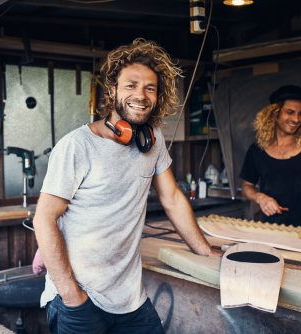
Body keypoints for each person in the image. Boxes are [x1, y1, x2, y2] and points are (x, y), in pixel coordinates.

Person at [33, 38, 219, 334]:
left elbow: (171, 197)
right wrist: (71, 295)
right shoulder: (78, 146)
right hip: (81, 298)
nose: (141, 95)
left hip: (130, 298)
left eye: (150, 88)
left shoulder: (153, 140)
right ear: (112, 90)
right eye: (131, 85)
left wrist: (205, 252)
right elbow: (44, 217)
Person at [240, 85, 301, 226]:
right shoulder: (257, 150)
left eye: (300, 114)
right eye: (290, 112)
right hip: (271, 230)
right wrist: (260, 197)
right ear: (275, 113)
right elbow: (247, 186)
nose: (296, 119)